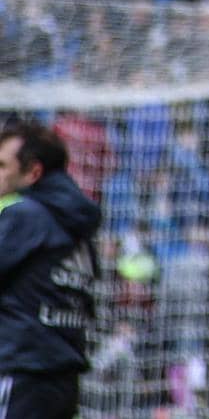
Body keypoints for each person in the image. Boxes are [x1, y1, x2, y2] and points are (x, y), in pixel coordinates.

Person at [0, 122, 101, 419]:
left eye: (3, 165)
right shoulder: (78, 230)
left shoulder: (27, 216)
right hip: (63, 380)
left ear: (33, 172)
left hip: (21, 371)